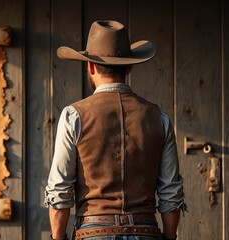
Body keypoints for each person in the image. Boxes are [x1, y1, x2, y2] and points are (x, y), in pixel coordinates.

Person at [45, 20, 186, 240]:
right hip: (146, 231)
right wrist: (169, 237)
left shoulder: (74, 115)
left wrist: (57, 237)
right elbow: (170, 192)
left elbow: (59, 190)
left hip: (93, 233)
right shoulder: (159, 117)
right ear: (129, 66)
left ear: (90, 66)